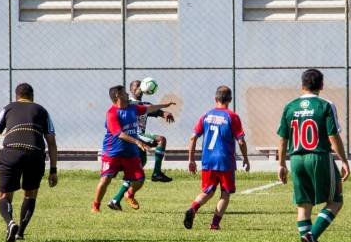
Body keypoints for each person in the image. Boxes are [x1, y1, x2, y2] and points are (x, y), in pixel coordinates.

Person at [276, 69, 350, 242]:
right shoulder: (325, 105)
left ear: (302, 85)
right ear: (322, 85)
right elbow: (333, 136)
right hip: (319, 157)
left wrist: (281, 164)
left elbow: (283, 139)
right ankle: (312, 236)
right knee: (336, 201)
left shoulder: (290, 106)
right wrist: (344, 160)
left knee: (303, 207)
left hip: (296, 160)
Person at [0, 83, 58, 242]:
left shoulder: (8, 108)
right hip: (35, 153)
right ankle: (20, 233)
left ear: (16, 96)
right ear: (32, 96)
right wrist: (53, 170)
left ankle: (10, 223)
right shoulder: (42, 110)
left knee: (4, 195)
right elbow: (51, 142)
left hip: (11, 152)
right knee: (30, 194)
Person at [93, 85, 174, 213]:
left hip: (130, 153)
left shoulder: (133, 108)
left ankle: (128, 194)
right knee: (106, 179)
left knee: (139, 180)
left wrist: (164, 105)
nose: (127, 94)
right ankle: (96, 207)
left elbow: (149, 108)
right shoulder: (112, 113)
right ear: (118, 96)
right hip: (113, 152)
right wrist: (137, 141)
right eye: (124, 92)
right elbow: (119, 134)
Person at [184, 85, 249, 231]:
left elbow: (193, 138)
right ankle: (214, 224)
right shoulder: (232, 116)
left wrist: (191, 160)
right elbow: (241, 141)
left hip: (208, 160)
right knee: (225, 193)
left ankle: (193, 208)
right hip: (225, 161)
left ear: (215, 99)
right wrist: (246, 158)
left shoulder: (206, 116)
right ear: (230, 100)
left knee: (207, 191)